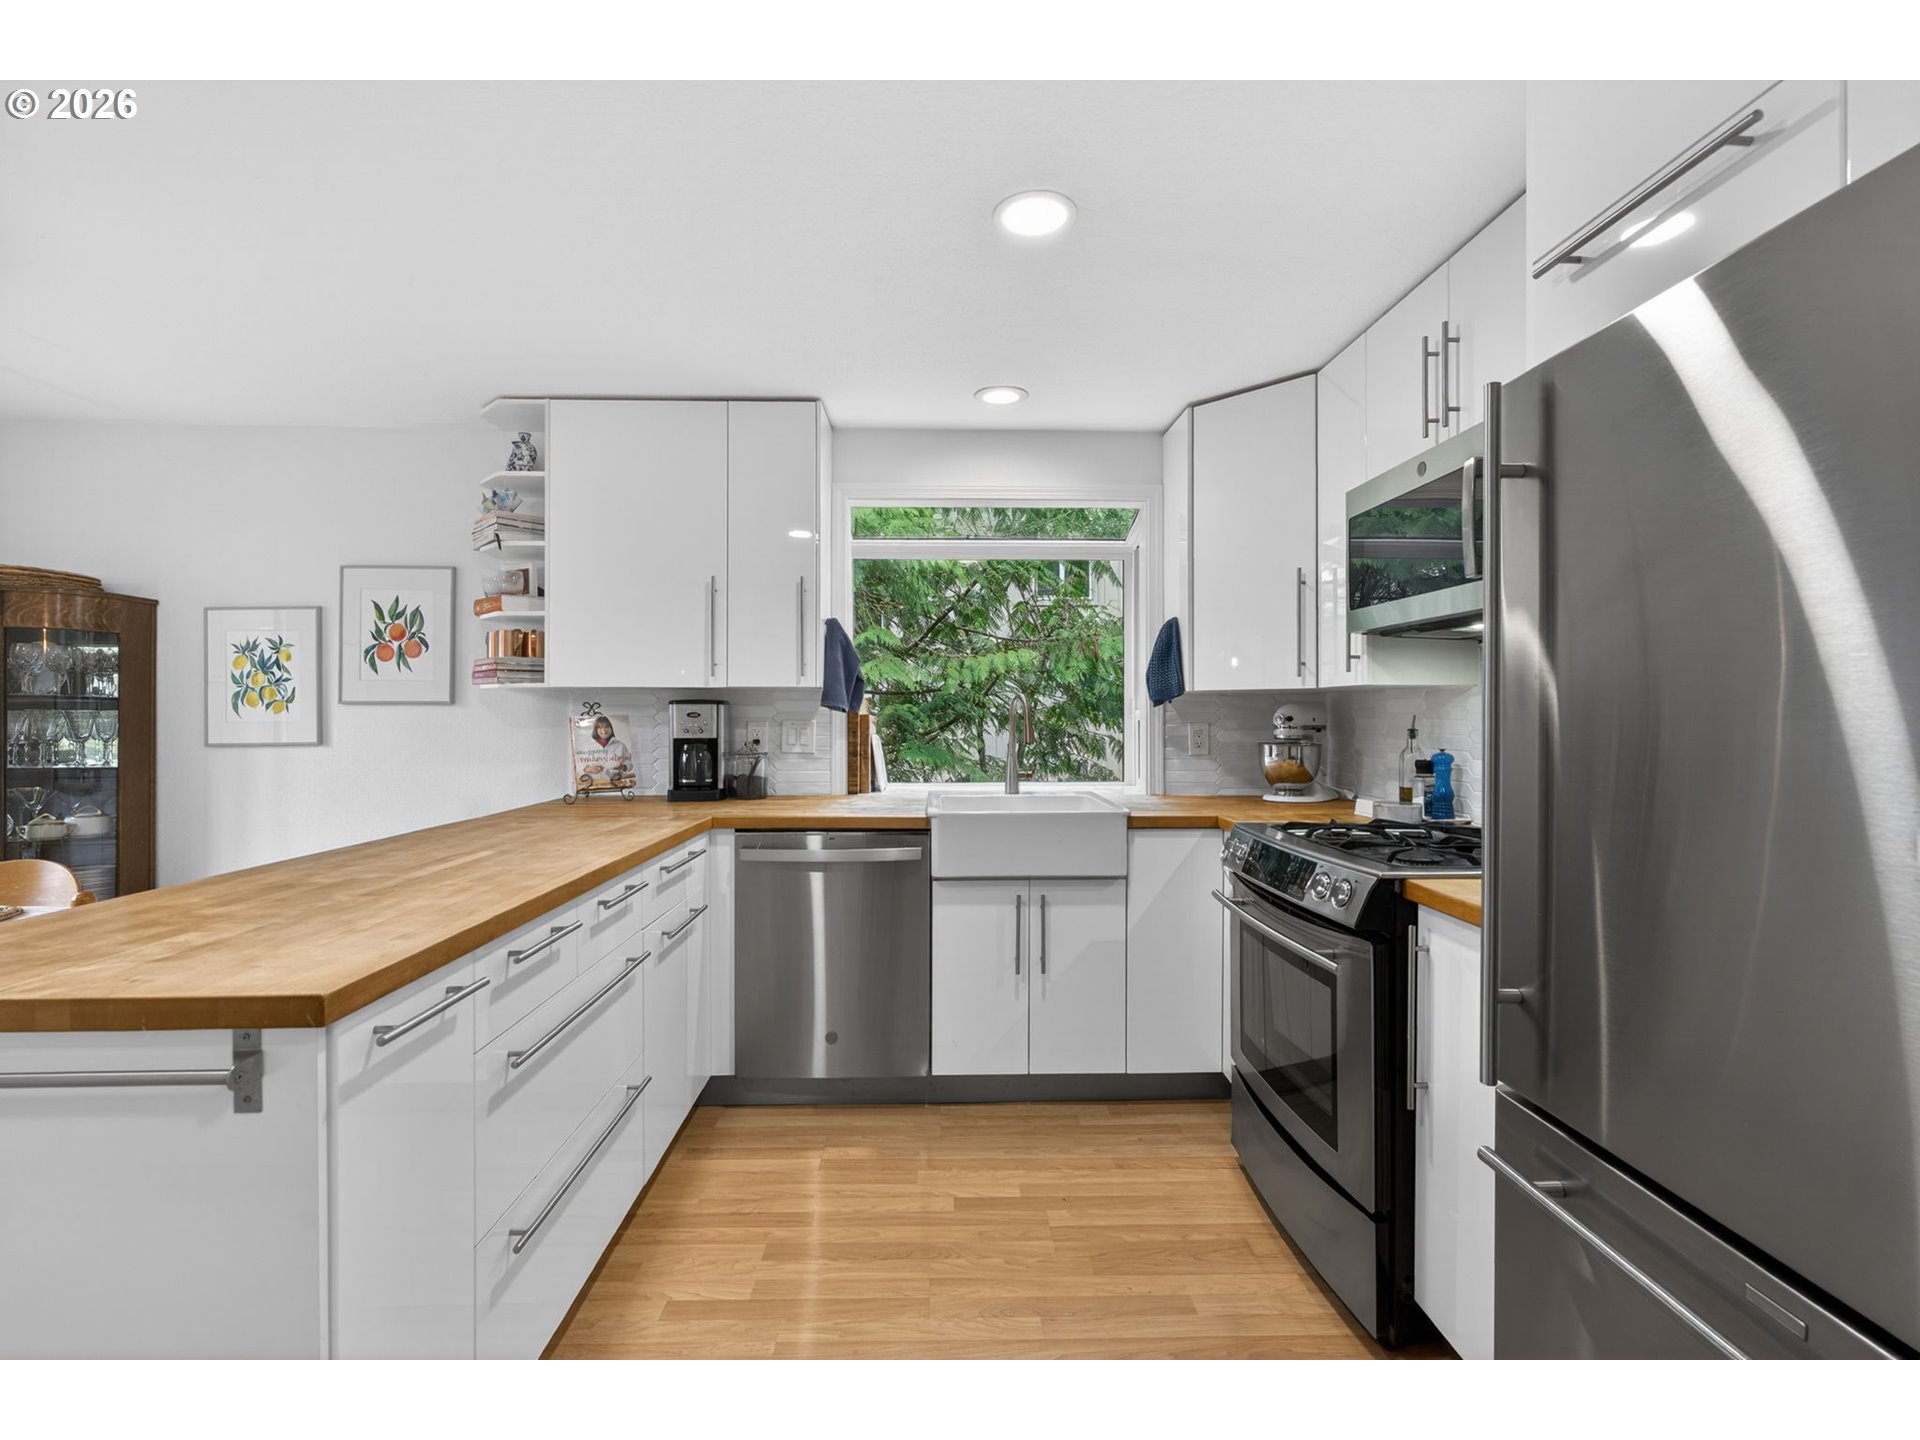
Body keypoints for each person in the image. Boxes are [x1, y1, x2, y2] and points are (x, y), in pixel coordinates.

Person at [576, 714, 634, 791]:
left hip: (614, 785)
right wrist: (586, 768)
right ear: (595, 730)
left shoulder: (620, 745)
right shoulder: (588, 746)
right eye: (599, 727)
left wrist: (622, 767)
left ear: (611, 728)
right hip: (592, 785)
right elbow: (578, 763)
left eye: (607, 727)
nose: (604, 730)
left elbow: (629, 764)